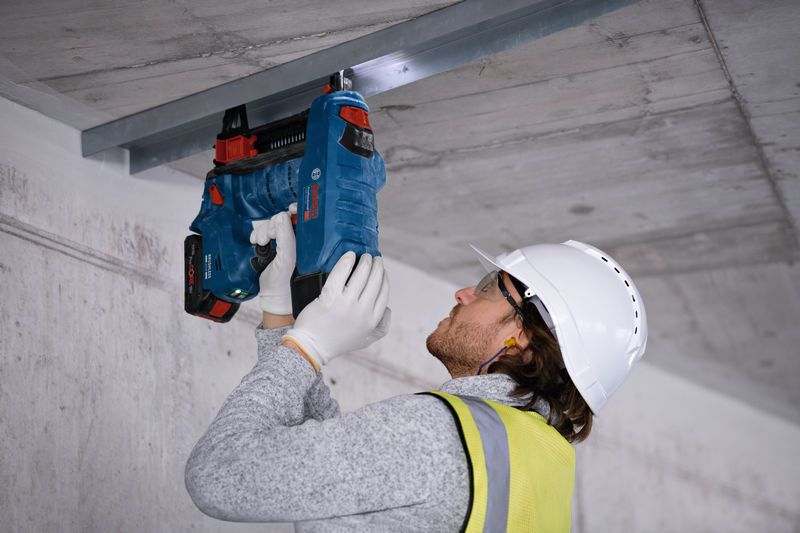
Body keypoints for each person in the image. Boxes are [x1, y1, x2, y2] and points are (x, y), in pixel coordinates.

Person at [185, 207, 648, 532]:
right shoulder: (540, 464)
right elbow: (338, 479)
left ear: (523, 338)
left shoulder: (437, 436)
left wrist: (308, 346)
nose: (464, 293)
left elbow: (217, 474)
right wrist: (281, 316)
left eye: (490, 287)